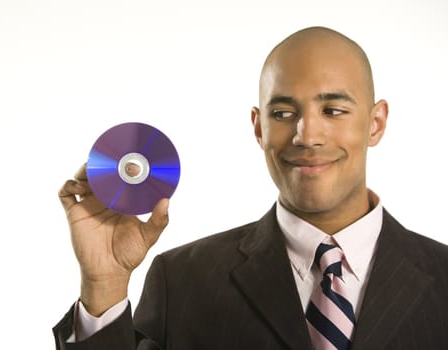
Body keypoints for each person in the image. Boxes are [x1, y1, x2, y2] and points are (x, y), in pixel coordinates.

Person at [54, 26, 448, 350]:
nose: (306, 135)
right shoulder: (181, 282)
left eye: (333, 110)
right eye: (283, 113)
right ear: (259, 128)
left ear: (376, 123)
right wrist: (103, 287)